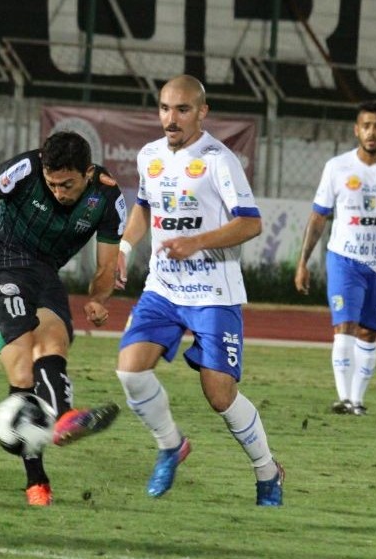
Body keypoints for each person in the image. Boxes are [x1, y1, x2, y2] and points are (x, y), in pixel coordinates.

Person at [114, 75, 284, 506]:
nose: (171, 119)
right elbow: (145, 206)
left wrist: (198, 241)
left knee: (219, 395)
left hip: (214, 293)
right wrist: (124, 246)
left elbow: (251, 222)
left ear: (202, 112)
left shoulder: (217, 160)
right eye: (165, 109)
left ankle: (268, 471)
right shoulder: (149, 155)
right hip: (164, 288)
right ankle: (171, 445)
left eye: (182, 110)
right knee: (130, 370)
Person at [0, 131, 124, 506]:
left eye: (68, 184)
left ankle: (63, 419)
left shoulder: (107, 197)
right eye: (52, 184)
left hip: (44, 275)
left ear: (88, 173)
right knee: (23, 370)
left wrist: (99, 298)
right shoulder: (25, 169)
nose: (58, 192)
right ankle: (36, 478)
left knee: (54, 342)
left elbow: (106, 266)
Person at [293, 100, 376, 416]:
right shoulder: (337, 167)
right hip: (344, 259)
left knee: (368, 332)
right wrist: (303, 263)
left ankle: (357, 401)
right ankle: (343, 398)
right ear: (356, 130)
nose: (372, 132)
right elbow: (318, 217)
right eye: (366, 125)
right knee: (344, 325)